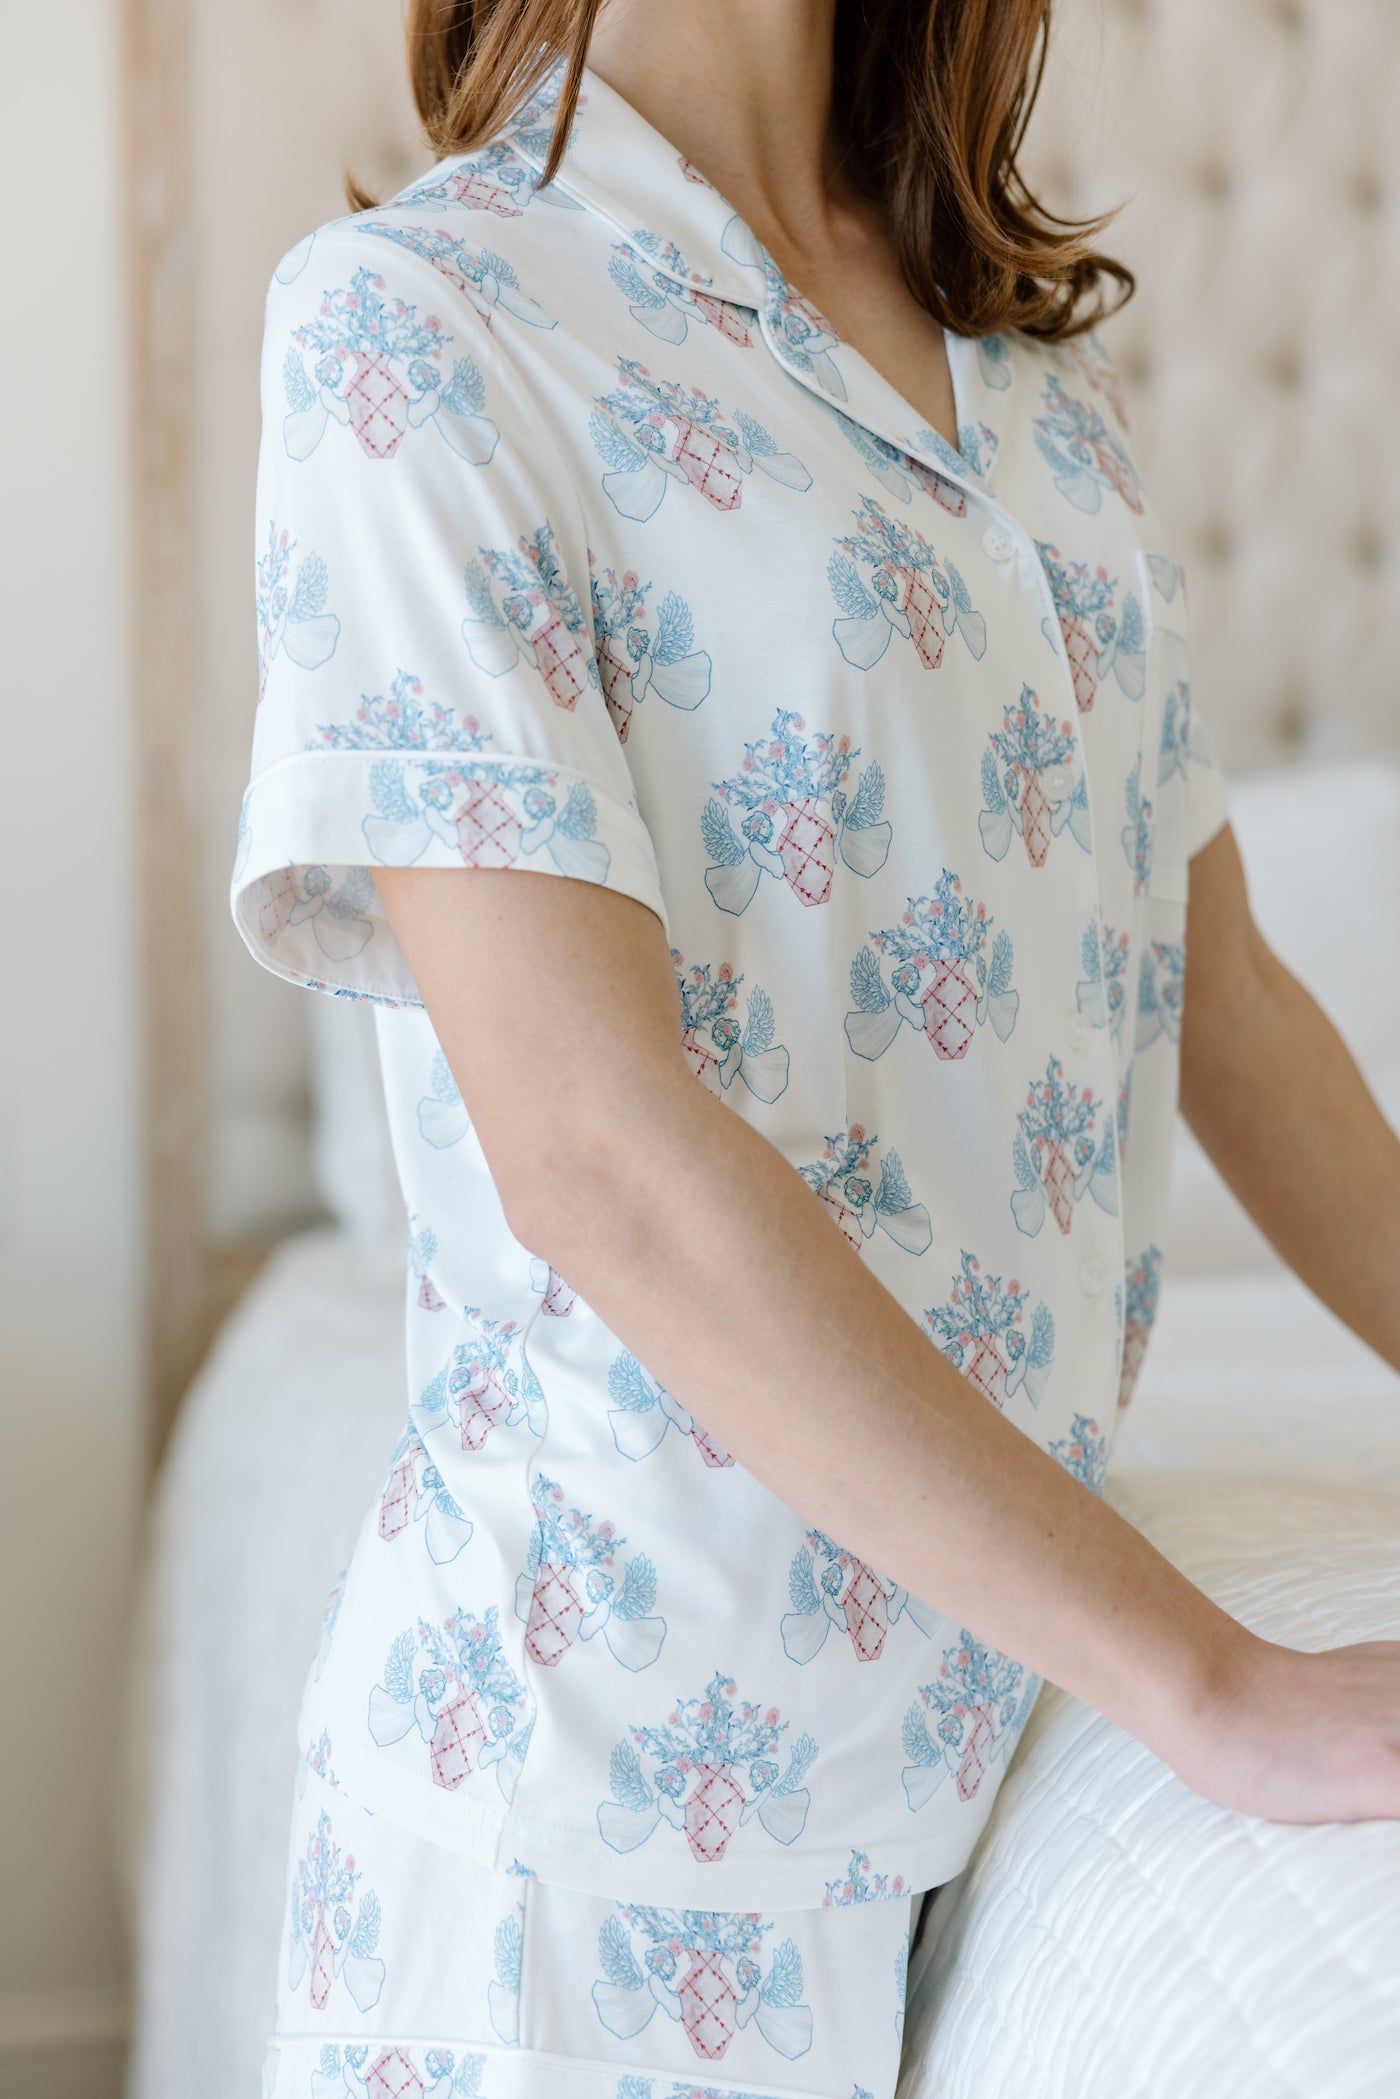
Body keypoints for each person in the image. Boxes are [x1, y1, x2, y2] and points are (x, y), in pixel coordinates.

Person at [232, 2, 1400, 2092]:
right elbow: (591, 1153)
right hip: (586, 1842)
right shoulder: (418, 329)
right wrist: (1208, 1685)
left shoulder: (1034, 382)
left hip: (953, 1755)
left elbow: (1223, 1008)